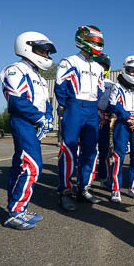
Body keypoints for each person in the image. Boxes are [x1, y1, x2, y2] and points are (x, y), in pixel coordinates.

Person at [0, 31, 56, 229]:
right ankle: (15, 211)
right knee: (33, 166)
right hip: (23, 122)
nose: (47, 55)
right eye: (42, 50)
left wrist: (48, 118)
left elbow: (45, 102)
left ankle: (19, 208)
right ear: (27, 47)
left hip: (33, 123)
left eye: (47, 52)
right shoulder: (15, 69)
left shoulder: (38, 75)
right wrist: (39, 118)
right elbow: (17, 101)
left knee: (21, 166)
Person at [55, 26, 105, 211]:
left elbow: (100, 90)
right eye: (95, 41)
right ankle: (64, 191)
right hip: (75, 106)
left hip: (92, 108)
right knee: (69, 149)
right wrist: (68, 106)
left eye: (99, 42)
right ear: (83, 39)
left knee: (91, 151)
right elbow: (60, 87)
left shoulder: (99, 67)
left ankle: (84, 187)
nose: (98, 45)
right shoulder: (69, 61)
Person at [108, 56, 134, 202]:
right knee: (119, 156)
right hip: (122, 123)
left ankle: (133, 186)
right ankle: (116, 188)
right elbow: (114, 105)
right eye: (132, 71)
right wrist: (127, 117)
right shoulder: (117, 86)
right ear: (126, 69)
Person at [95, 53, 114, 183]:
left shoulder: (112, 84)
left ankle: (104, 177)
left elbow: (114, 103)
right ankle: (84, 181)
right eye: (99, 66)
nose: (101, 69)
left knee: (105, 151)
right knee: (87, 151)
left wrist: (107, 115)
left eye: (104, 66)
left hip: (105, 122)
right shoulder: (88, 82)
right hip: (91, 120)